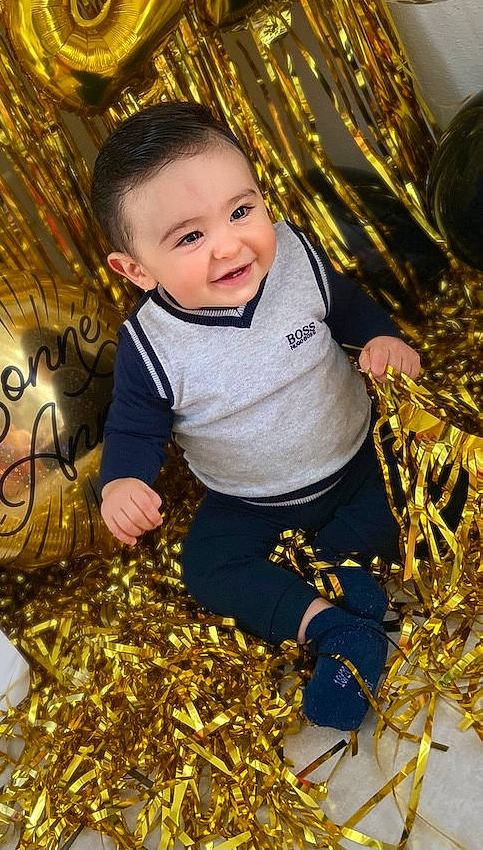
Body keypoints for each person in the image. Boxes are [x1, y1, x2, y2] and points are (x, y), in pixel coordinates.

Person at [90, 101, 421, 731]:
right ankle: (330, 627)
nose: (230, 243)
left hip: (356, 456)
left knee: (414, 483)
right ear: (134, 270)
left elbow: (348, 308)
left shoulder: (293, 255)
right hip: (249, 499)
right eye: (190, 237)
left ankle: (344, 566)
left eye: (241, 211)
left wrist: (384, 339)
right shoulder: (152, 343)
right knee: (207, 567)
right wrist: (122, 482)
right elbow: (134, 427)